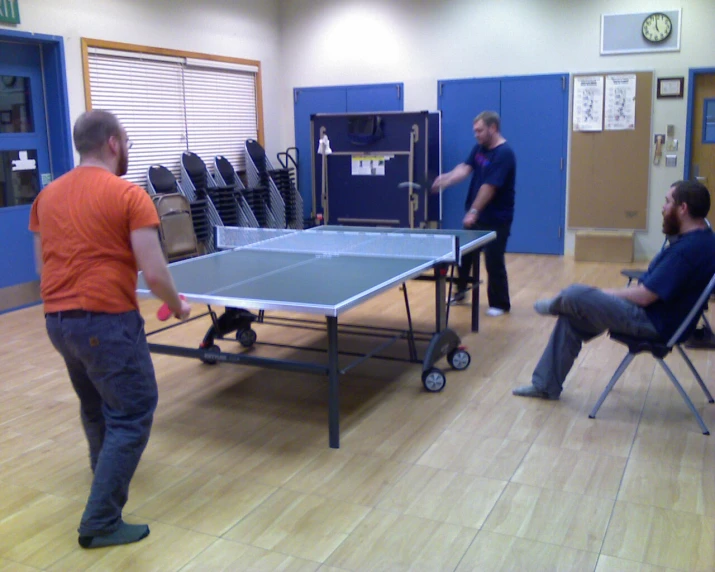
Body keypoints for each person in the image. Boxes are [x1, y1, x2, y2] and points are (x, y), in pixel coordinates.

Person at [29, 110, 191, 548]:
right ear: (114, 144)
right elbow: (154, 273)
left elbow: (42, 264)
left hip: (58, 322)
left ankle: (104, 473)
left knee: (96, 406)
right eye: (129, 145)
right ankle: (101, 519)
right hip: (106, 320)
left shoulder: (46, 196)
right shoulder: (129, 195)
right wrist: (177, 307)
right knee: (134, 411)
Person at [513, 180, 715, 400]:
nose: (663, 207)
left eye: (668, 202)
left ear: (683, 208)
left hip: (652, 322)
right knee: (571, 315)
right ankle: (545, 386)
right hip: (659, 317)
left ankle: (556, 303)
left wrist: (602, 295)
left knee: (576, 294)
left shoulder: (686, 251)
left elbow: (646, 296)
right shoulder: (702, 239)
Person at [431, 110, 516, 316]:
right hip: (477, 216)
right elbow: (465, 167)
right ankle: (460, 292)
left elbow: (489, 187)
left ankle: (500, 304)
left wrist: (474, 211)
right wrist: (447, 179)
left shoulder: (504, 154)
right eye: (475, 131)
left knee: (493, 261)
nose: (476, 134)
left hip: (497, 218)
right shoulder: (480, 148)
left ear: (492, 128)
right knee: (464, 256)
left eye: (479, 130)